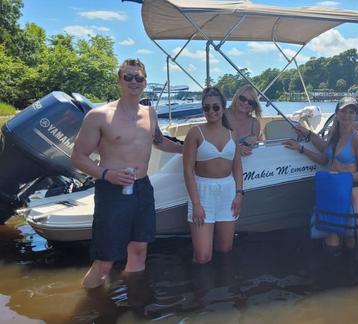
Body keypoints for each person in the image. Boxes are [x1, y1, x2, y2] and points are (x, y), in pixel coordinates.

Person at [72, 58, 183, 289]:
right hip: (112, 191)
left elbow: (160, 142)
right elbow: (78, 157)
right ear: (119, 81)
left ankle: (135, 300)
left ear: (145, 82)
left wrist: (190, 149)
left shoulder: (150, 113)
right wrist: (106, 174)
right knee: (105, 260)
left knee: (139, 250)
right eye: (128, 77)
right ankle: (89, 305)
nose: (134, 81)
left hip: (142, 188)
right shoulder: (99, 115)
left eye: (138, 77)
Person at [284, 96, 358, 250]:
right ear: (336, 113)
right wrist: (301, 147)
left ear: (356, 115)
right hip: (332, 192)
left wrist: (342, 176)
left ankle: (352, 270)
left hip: (352, 191)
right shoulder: (333, 133)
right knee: (332, 242)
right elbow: (324, 159)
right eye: (343, 111)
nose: (347, 115)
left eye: (351, 112)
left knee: (352, 239)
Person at [183, 86, 243, 264]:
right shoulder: (195, 133)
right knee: (202, 256)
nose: (211, 111)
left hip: (228, 192)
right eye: (206, 108)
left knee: (225, 249)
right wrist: (196, 203)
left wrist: (239, 194)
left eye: (215, 107)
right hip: (203, 193)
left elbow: (237, 167)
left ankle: (221, 289)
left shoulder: (233, 134)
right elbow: (187, 170)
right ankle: (199, 289)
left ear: (223, 108)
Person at [225, 84, 262, 156]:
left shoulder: (254, 124)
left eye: (250, 102)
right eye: (242, 98)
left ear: (254, 106)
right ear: (236, 97)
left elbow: (253, 151)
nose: (245, 103)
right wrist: (237, 149)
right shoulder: (222, 115)